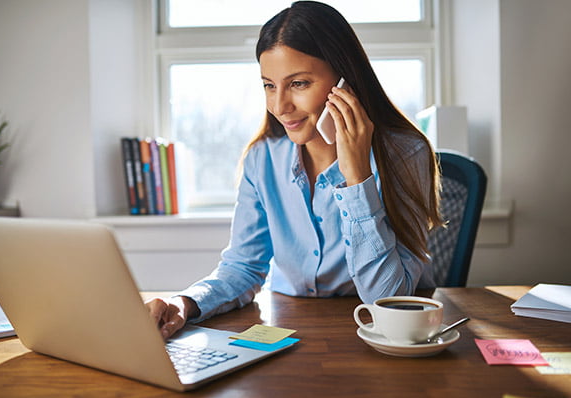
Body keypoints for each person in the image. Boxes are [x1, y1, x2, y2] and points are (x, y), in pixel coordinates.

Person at [146, 0, 442, 339]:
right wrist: (185, 304)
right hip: (289, 332)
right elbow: (243, 267)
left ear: (345, 80)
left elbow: (387, 300)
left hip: (379, 338)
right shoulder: (263, 158)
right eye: (269, 85)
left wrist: (357, 177)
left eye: (299, 83)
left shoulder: (404, 154)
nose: (279, 106)